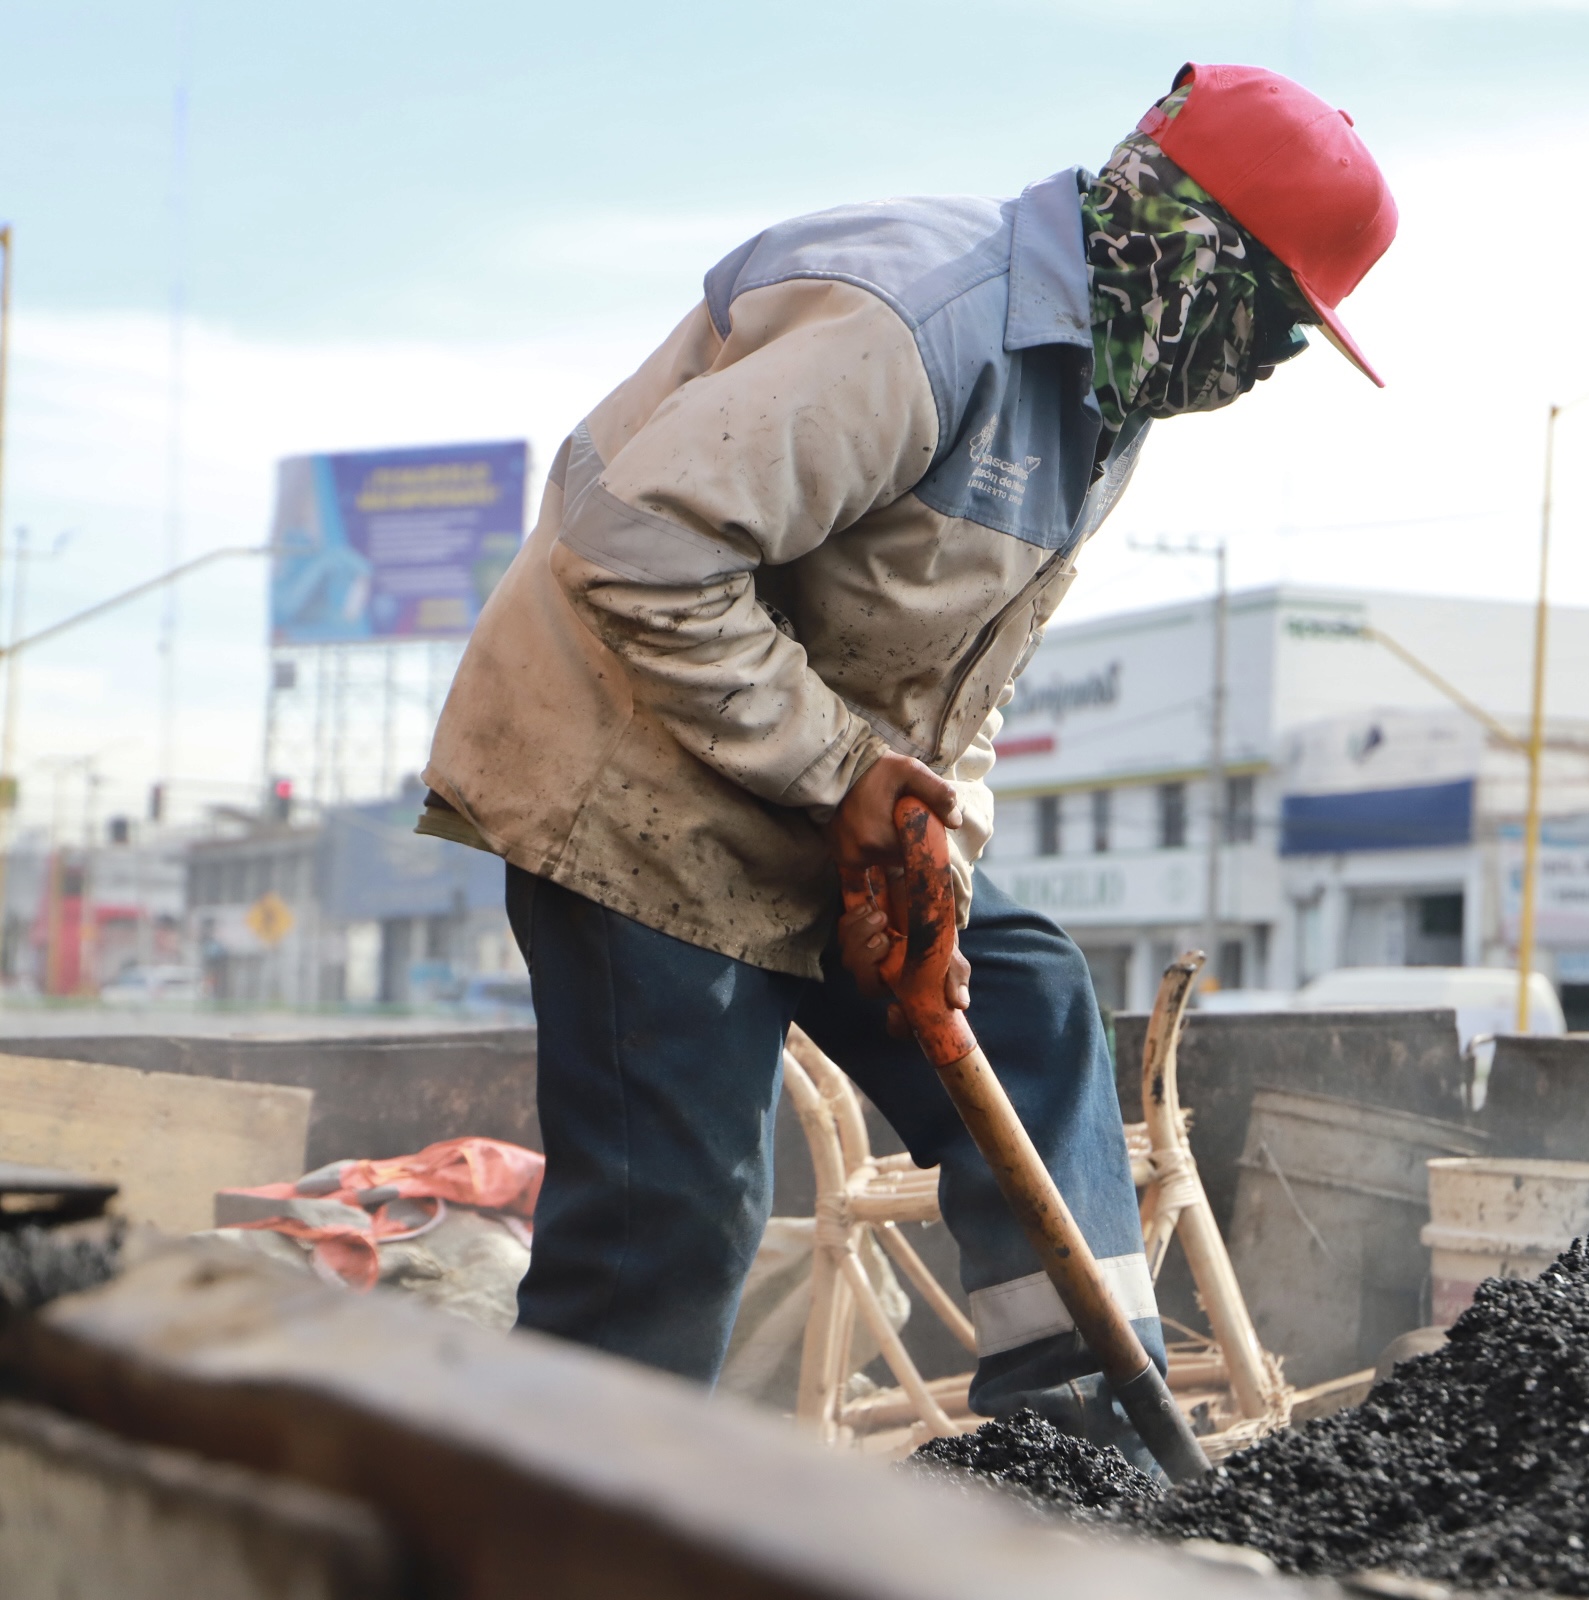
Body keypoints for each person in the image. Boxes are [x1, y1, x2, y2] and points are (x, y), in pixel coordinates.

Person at [417, 63, 1396, 1462]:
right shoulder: (915, 323)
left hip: (800, 796)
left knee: (1037, 1002)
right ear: (1194, 259)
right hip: (629, 781)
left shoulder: (1104, 402)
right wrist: (843, 780)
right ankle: (551, 1526)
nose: (1266, 366)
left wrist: (933, 852)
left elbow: (956, 686)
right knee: (679, 1218)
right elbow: (632, 550)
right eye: (1275, 324)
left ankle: (1072, 1455)